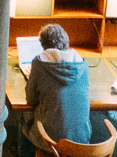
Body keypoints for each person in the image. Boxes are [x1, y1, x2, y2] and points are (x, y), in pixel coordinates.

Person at [19, 24, 92, 157]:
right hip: (81, 141)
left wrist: (36, 80)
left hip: (50, 141)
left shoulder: (39, 63)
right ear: (66, 42)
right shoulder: (83, 63)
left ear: (43, 45)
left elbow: (31, 99)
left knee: (23, 116)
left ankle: (22, 154)